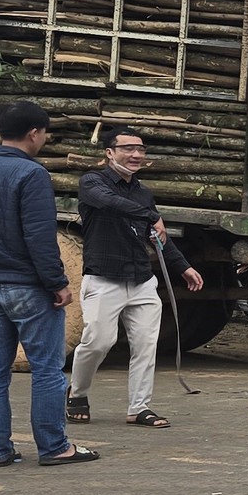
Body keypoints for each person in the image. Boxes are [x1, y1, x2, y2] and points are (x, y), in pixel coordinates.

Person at [0, 100, 94, 467]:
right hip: (26, 286)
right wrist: (58, 283)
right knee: (47, 369)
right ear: (34, 133)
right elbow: (38, 236)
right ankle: (54, 446)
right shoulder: (31, 174)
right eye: (45, 133)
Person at [69, 126, 202, 429]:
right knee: (98, 342)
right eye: (128, 148)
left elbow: (157, 237)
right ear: (109, 153)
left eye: (141, 149)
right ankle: (77, 393)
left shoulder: (142, 192)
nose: (136, 154)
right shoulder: (92, 183)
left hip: (141, 280)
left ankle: (139, 407)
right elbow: (112, 203)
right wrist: (150, 215)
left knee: (145, 344)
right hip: (104, 278)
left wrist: (183, 267)